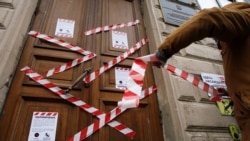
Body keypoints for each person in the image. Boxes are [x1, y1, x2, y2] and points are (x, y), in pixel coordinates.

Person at [156, 2, 250, 141]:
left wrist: (163, 51)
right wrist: (230, 92)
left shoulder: (244, 20)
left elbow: (208, 17)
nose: (217, 39)